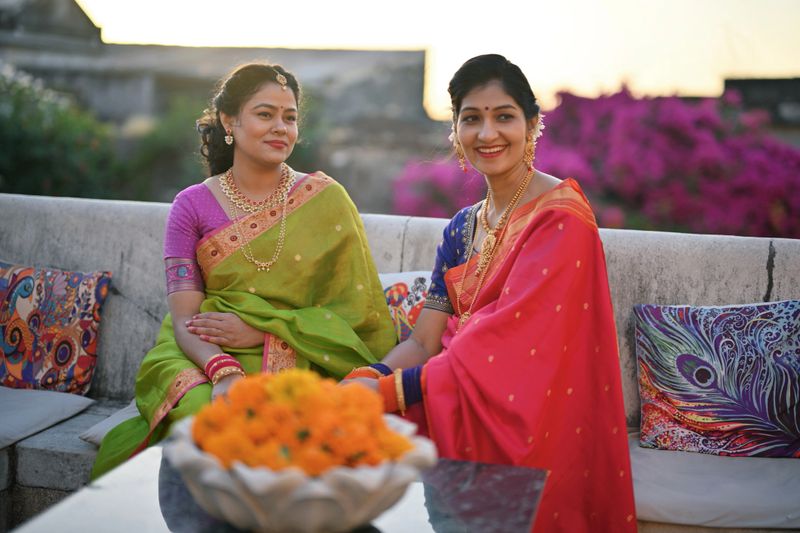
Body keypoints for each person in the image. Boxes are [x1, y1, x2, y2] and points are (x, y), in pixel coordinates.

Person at [341, 54, 636, 532]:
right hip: (454, 398)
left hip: (529, 416)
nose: (487, 133)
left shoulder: (559, 218)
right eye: (471, 119)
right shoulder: (462, 228)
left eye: (504, 116)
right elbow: (422, 341)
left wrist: (383, 393)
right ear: (455, 132)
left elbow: (509, 348)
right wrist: (364, 378)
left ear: (533, 125)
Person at [92, 62, 396, 478]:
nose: (281, 128)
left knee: (283, 422)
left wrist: (267, 332)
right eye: (265, 114)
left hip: (299, 355)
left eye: (289, 118)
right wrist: (222, 370)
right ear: (229, 120)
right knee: (204, 415)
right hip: (202, 351)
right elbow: (184, 318)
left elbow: (356, 314)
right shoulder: (191, 205)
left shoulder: (326, 200)